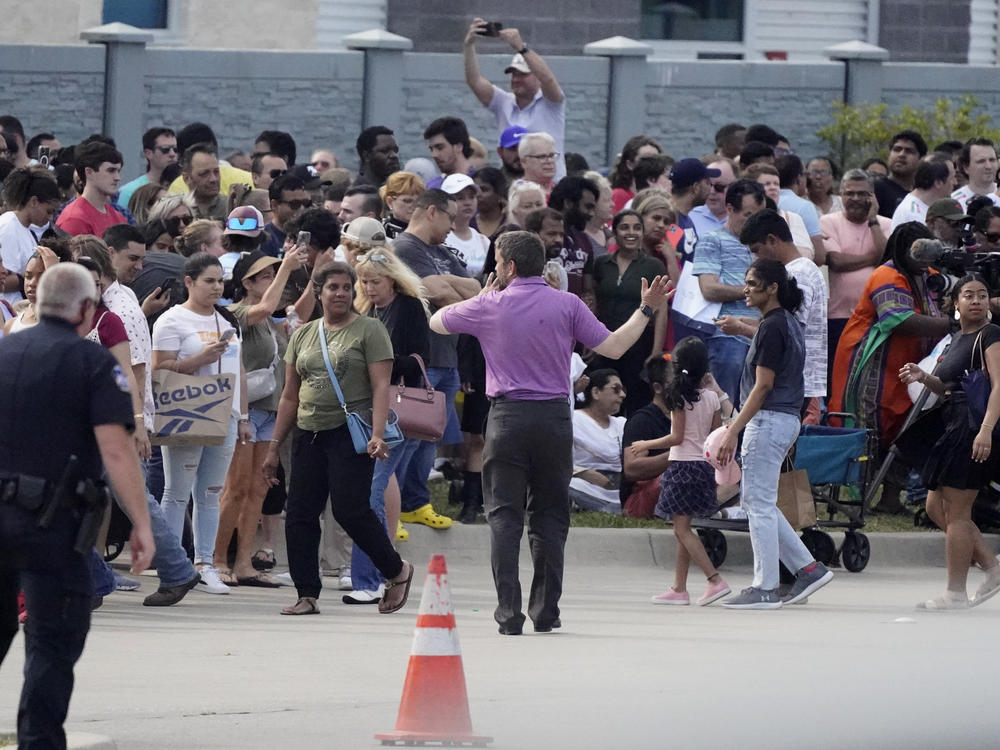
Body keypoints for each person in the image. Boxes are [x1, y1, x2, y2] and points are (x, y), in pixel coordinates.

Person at [430, 230, 673, 635]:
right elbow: (613, 347)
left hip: (507, 417)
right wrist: (646, 310)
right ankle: (545, 609)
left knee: (504, 515)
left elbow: (437, 322)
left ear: (507, 267)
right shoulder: (567, 303)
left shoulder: (490, 304)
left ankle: (509, 613)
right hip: (554, 418)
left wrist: (482, 297)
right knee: (550, 515)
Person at [0, 263, 154, 749]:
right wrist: (142, 525)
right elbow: (115, 449)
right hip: (52, 525)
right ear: (86, 310)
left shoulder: (4, 352)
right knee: (52, 639)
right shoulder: (92, 363)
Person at [261, 262, 414, 616]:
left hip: (350, 432)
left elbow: (380, 387)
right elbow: (288, 395)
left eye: (347, 287)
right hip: (308, 433)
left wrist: (377, 434)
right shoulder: (303, 335)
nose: (341, 293)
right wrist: (272, 448)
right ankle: (307, 594)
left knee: (350, 509)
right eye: (333, 287)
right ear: (319, 292)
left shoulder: (369, 330)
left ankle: (396, 570)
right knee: (299, 513)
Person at [715, 258, 833, 609]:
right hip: (783, 419)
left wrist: (732, 430)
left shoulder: (773, 326)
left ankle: (765, 586)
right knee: (758, 501)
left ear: (772, 288)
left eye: (752, 283)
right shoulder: (786, 322)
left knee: (759, 505)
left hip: (768, 420)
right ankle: (808, 568)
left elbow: (763, 386)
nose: (745, 288)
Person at [898, 274, 1000, 609]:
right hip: (953, 424)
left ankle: (955, 592)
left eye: (982, 295)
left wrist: (985, 429)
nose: (976, 301)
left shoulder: (990, 335)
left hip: (972, 428)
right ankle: (991, 566)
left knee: (958, 511)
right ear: (955, 304)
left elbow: (998, 386)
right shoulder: (958, 337)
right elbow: (946, 388)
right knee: (932, 506)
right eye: (968, 295)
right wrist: (922, 376)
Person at [152, 253, 251, 595]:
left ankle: (205, 563)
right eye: (209, 280)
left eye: (220, 281)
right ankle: (171, 564)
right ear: (189, 282)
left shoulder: (226, 321)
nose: (216, 287)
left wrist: (244, 415)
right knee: (177, 492)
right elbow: (160, 371)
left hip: (226, 414)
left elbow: (238, 370)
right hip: (188, 411)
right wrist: (198, 360)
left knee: (210, 492)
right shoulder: (171, 321)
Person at [212, 250, 302, 588]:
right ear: (246, 282)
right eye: (265, 276)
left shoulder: (268, 322)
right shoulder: (238, 313)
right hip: (243, 413)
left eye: (274, 276)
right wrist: (288, 267)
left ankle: (245, 562)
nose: (273, 281)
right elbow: (264, 306)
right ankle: (218, 559)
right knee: (234, 489)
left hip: (269, 413)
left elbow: (282, 311)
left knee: (258, 489)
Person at [394, 189, 480, 531]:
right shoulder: (403, 248)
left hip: (448, 359)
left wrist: (451, 284)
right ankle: (393, 505)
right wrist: (453, 287)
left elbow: (477, 290)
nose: (454, 225)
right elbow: (438, 292)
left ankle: (416, 503)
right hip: (420, 358)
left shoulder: (443, 251)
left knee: (429, 439)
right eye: (451, 217)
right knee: (406, 437)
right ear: (432, 211)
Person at [349, 249, 431, 601]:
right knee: (368, 491)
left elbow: (416, 361)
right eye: (364, 281)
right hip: (374, 411)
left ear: (393, 280)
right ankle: (372, 576)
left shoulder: (408, 307)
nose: (368, 287)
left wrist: (376, 362)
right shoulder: (369, 310)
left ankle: (371, 580)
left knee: (370, 492)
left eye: (375, 281)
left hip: (399, 413)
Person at [829, 223, 951, 450]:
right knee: (873, 432)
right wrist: (952, 324)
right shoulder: (887, 274)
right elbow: (900, 321)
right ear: (904, 251)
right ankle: (861, 484)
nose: (925, 260)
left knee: (904, 435)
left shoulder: (927, 274)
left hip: (908, 369)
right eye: (919, 253)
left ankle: (893, 485)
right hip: (876, 368)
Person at [628, 337, 730, 606]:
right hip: (703, 467)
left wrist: (646, 444)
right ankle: (679, 587)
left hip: (682, 466)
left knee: (682, 530)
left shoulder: (677, 397)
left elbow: (676, 437)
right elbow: (714, 433)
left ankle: (714, 579)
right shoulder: (710, 398)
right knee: (682, 527)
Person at [463, 18, 566, 180]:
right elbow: (474, 81)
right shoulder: (503, 102)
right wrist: (469, 45)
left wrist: (521, 48)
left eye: (523, 74)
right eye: (513, 74)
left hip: (551, 188)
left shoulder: (551, 103)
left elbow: (549, 80)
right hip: (511, 186)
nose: (516, 79)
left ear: (536, 77)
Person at [591, 210, 667, 415]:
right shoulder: (601, 264)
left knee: (635, 402)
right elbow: (593, 302)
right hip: (604, 341)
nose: (631, 233)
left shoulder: (653, 265)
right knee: (601, 399)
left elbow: (661, 311)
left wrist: (655, 352)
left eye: (637, 227)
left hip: (639, 344)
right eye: (624, 227)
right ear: (614, 232)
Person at [819, 169, 891, 375]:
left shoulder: (886, 224)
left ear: (873, 196)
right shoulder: (827, 221)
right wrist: (873, 259)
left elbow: (887, 259)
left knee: (871, 375)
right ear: (840, 195)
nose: (856, 198)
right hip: (839, 316)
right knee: (839, 375)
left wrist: (873, 221)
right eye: (850, 193)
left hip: (877, 317)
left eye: (863, 193)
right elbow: (836, 261)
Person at [568, 369, 627, 514]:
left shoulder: (622, 424)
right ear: (596, 392)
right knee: (567, 485)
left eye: (623, 390)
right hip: (584, 482)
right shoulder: (573, 419)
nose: (622, 395)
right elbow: (558, 459)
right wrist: (583, 473)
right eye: (616, 389)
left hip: (620, 485)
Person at [0, 168, 61, 305]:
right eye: (48, 211)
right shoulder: (8, 227)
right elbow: (5, 280)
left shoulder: (26, 230)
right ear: (34, 201)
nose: (50, 218)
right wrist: (34, 278)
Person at [55, 140, 127, 237]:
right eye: (111, 170)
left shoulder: (118, 217)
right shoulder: (74, 219)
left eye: (118, 171)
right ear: (89, 172)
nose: (118, 177)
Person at [442, 173, 491, 276]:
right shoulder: (438, 238)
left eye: (472, 197)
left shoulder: (483, 242)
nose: (468, 202)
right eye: (460, 198)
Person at [118, 127, 177, 209]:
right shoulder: (130, 191)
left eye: (175, 149)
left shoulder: (183, 186)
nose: (172, 154)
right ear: (148, 153)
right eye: (165, 149)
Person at [874, 130, 927, 219]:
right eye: (897, 149)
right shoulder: (875, 189)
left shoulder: (924, 193)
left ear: (921, 160)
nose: (901, 155)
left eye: (909, 151)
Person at [609, 135, 665, 213]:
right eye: (645, 159)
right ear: (629, 164)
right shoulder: (619, 195)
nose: (652, 164)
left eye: (656, 159)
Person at [379, 171, 426, 239]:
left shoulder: (429, 231)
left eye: (419, 201)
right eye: (407, 201)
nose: (414, 206)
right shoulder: (381, 233)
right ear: (390, 202)